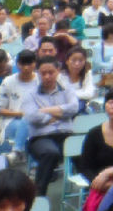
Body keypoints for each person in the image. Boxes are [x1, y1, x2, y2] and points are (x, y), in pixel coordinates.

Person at [20, 58, 76, 196]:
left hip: (65, 134)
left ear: (58, 71)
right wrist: (59, 114)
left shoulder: (66, 89)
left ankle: (92, 192)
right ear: (38, 72)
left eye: (51, 72)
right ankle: (38, 196)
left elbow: (74, 107)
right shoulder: (30, 94)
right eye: (43, 73)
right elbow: (32, 116)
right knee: (50, 153)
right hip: (41, 137)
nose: (47, 76)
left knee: (85, 148)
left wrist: (47, 110)